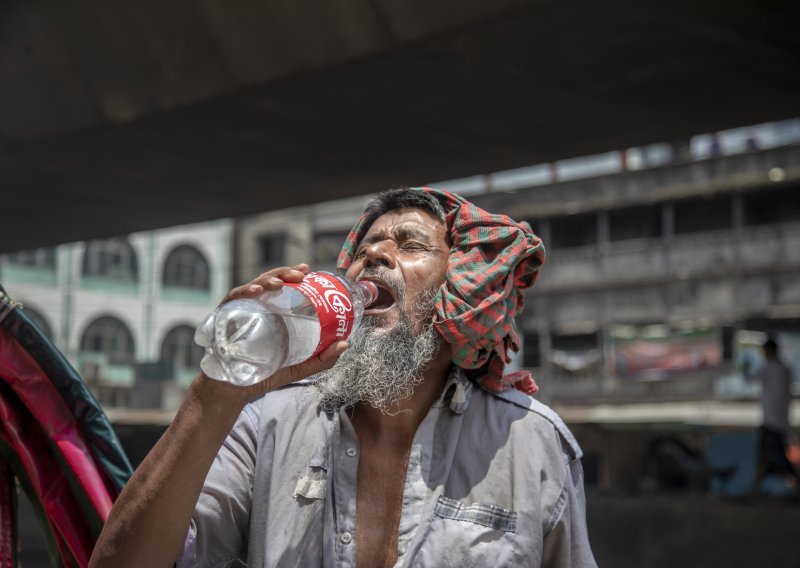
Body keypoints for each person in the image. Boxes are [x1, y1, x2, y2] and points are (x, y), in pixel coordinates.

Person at [90, 187, 597, 567]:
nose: (374, 256)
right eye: (366, 248)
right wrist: (215, 392)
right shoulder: (268, 423)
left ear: (458, 292)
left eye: (410, 245)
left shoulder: (533, 442)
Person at [745, 338, 799, 496]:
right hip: (782, 420)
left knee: (768, 454)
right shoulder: (786, 369)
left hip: (770, 421)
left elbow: (748, 379)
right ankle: (756, 488)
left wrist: (744, 366)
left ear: (767, 351)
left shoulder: (768, 368)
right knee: (772, 454)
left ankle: (755, 489)